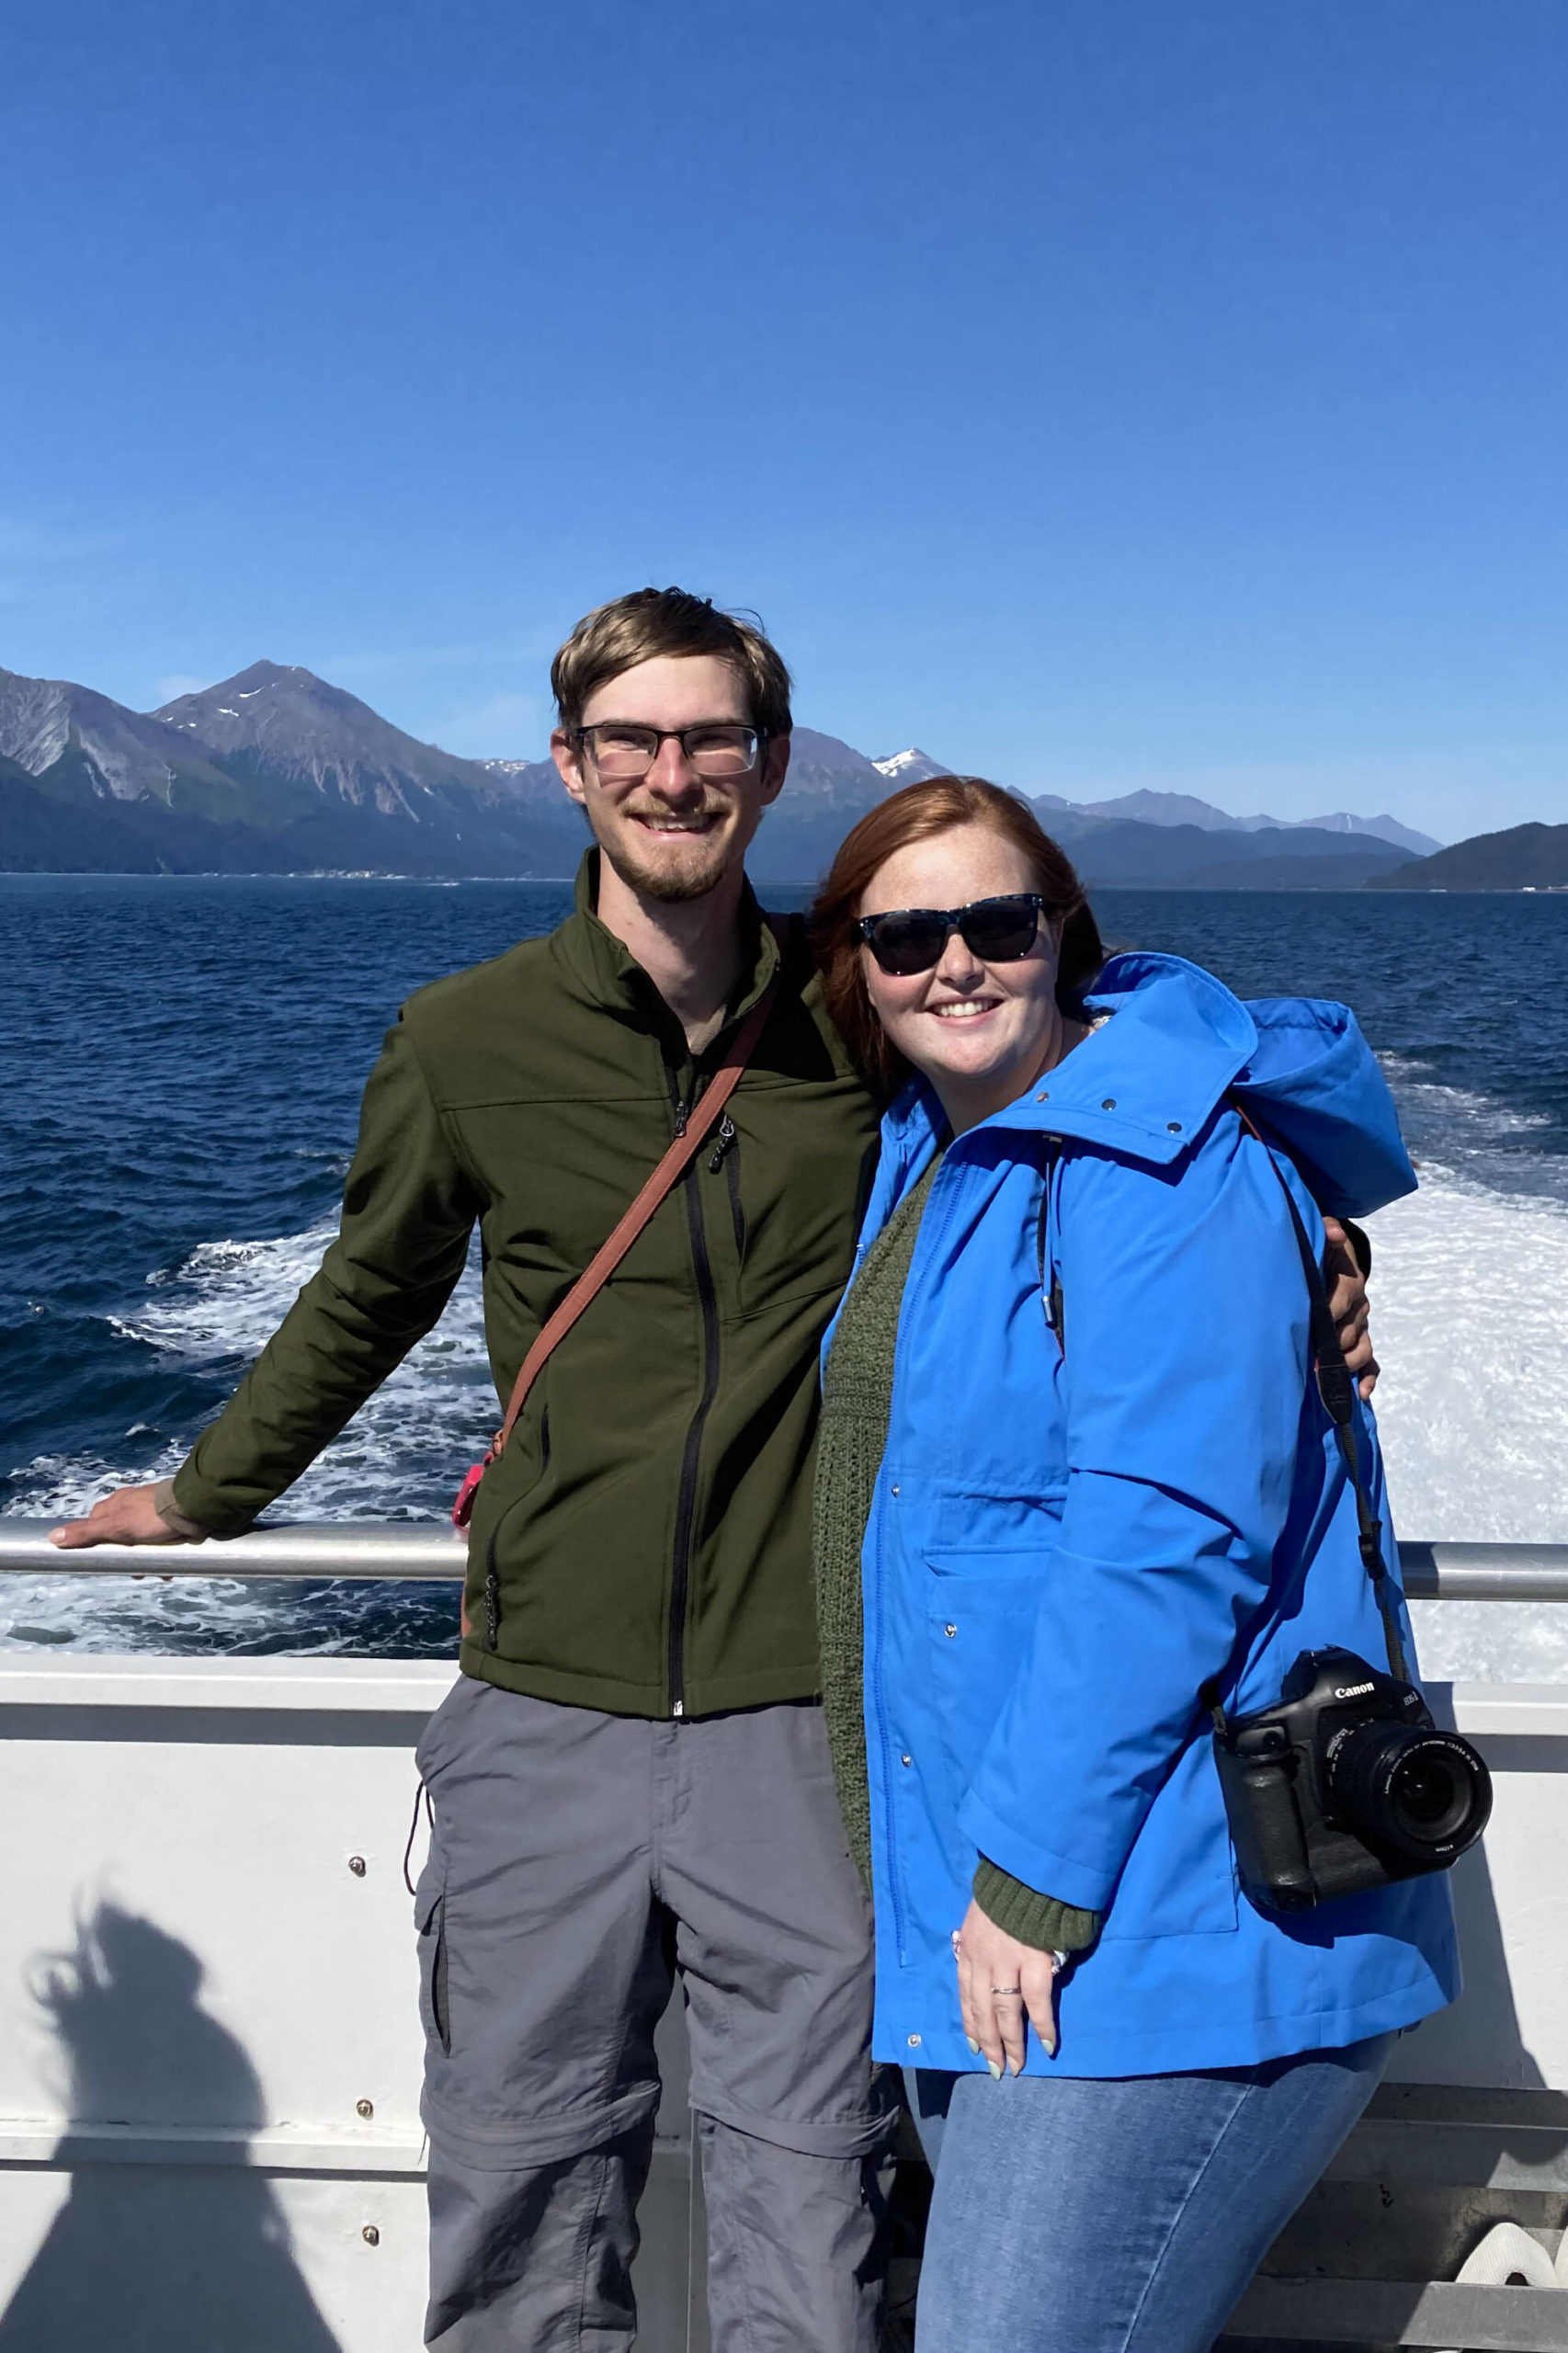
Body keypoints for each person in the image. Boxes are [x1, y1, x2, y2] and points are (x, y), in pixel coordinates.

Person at [51, 594, 1377, 2353]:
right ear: (569, 764)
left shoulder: (861, 1011)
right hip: (541, 1705)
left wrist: (1317, 1231)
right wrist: (205, 1497)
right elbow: (364, 1294)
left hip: (806, 1722)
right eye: (632, 742)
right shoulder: (467, 1038)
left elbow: (1096, 1080)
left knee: (810, 2201)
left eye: (712, 742)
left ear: (767, 763)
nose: (671, 775)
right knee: (520, 2188)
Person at [807, 775, 1459, 2353]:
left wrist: (1027, 1886)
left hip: (1153, 1913)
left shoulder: (1154, 1165)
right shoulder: (938, 1154)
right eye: (904, 936)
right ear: (856, 966)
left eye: (995, 922)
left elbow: (1161, 1543)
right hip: (1014, 1916)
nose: (951, 963)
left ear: (1064, 938)